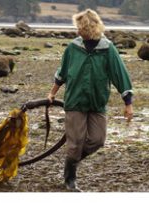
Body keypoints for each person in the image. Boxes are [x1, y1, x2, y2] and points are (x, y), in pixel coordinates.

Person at [47, 9, 133, 191]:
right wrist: (52, 93)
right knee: (76, 142)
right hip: (75, 102)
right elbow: (62, 72)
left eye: (80, 27)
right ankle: (70, 179)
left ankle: (72, 162)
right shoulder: (73, 48)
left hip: (97, 103)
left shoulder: (107, 49)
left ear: (89, 28)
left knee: (97, 140)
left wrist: (128, 104)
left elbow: (120, 75)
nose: (77, 31)